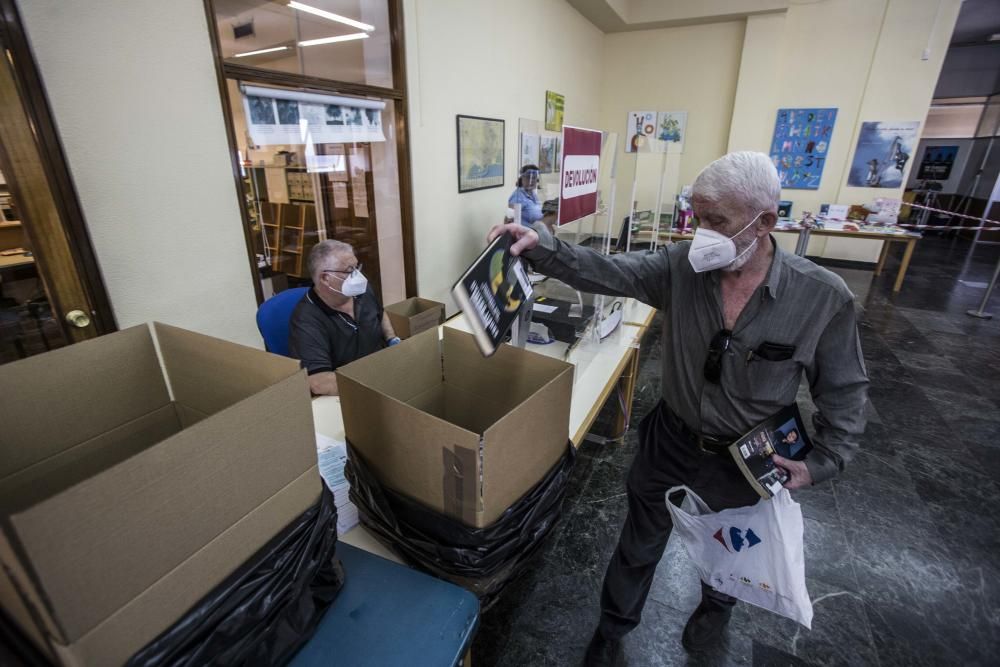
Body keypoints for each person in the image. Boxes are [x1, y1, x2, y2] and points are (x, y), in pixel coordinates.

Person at [488, 151, 869, 666]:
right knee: (639, 542)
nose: (702, 233)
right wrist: (544, 249)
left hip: (746, 458)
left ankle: (715, 611)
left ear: (766, 223)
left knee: (732, 551)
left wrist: (821, 462)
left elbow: (844, 392)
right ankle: (612, 628)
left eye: (717, 221)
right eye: (697, 217)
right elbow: (610, 270)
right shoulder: (681, 267)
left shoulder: (823, 297)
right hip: (670, 439)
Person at [288, 240, 399, 396]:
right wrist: (375, 387)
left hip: (381, 369)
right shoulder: (306, 320)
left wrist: (392, 339)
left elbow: (380, 314)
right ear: (325, 278)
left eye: (357, 267)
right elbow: (319, 381)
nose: (358, 276)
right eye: (349, 270)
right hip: (348, 392)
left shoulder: (361, 290)